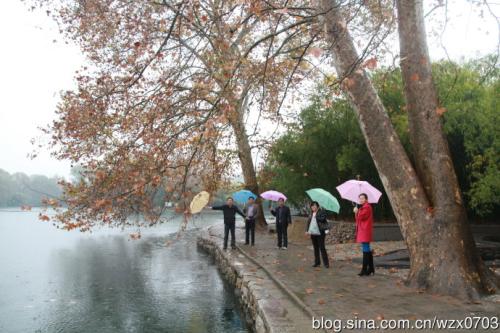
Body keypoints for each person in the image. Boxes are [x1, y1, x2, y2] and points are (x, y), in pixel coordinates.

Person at [354, 193, 374, 276]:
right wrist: (357, 212)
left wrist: (356, 211)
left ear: (366, 199)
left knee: (365, 250)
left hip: (365, 230)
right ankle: (371, 268)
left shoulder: (367, 207)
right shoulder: (363, 207)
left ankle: (364, 270)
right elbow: (358, 219)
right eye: (360, 198)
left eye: (362, 198)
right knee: (367, 249)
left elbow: (360, 217)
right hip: (363, 230)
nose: (361, 200)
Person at [305, 201, 330, 268]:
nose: (313, 207)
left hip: (320, 232)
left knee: (322, 247)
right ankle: (317, 262)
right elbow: (308, 222)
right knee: (315, 248)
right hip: (313, 232)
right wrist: (307, 230)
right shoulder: (311, 213)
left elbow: (323, 219)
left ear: (318, 206)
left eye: (315, 205)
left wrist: (316, 216)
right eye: (312, 206)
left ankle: (326, 263)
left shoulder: (322, 212)